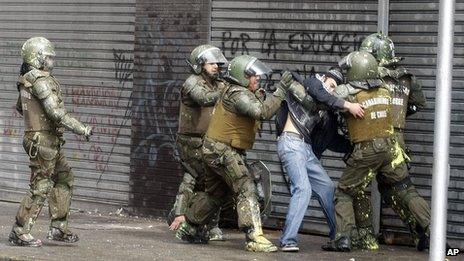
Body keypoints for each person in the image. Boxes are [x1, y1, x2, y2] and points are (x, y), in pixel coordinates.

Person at [178, 55, 293, 252]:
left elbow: (257, 106)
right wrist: (281, 90)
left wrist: (264, 94)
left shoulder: (238, 91)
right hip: (222, 149)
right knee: (245, 186)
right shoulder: (238, 94)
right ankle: (254, 236)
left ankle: (190, 227)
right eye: (252, 75)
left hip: (215, 148)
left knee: (215, 194)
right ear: (242, 76)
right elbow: (261, 112)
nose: (257, 78)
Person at [9, 37, 93, 247]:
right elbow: (56, 112)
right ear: (37, 58)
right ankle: (19, 231)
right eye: (48, 57)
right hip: (43, 141)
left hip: (43, 140)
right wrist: (81, 128)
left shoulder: (27, 79)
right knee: (41, 186)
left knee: (64, 177)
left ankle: (58, 228)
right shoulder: (40, 80)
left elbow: (21, 107)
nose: (51, 61)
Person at [325, 50, 411, 252]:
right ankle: (366, 237)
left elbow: (326, 98)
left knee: (344, 191)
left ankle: (343, 238)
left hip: (366, 151)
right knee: (397, 188)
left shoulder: (349, 92)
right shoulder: (384, 90)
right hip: (390, 149)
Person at [274, 68, 364, 252]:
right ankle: (288, 240)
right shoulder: (311, 83)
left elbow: (331, 140)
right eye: (331, 85)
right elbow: (319, 92)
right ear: (323, 78)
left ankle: (337, 236)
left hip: (305, 148)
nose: (331, 90)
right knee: (303, 189)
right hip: (291, 142)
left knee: (327, 188)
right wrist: (348, 105)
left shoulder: (325, 109)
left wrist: (356, 145)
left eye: (335, 89)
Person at [358, 33, 430, 251]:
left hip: (373, 136)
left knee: (357, 188)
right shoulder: (406, 77)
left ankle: (365, 237)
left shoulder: (373, 75)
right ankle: (428, 232)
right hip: (397, 141)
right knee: (401, 189)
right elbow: (419, 103)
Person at [168, 44, 229, 241]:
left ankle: (193, 220)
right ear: (200, 64)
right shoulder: (192, 83)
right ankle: (189, 220)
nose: (216, 67)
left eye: (217, 64)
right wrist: (227, 94)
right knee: (199, 178)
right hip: (191, 142)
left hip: (209, 141)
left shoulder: (219, 84)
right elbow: (203, 99)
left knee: (206, 181)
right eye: (212, 64)